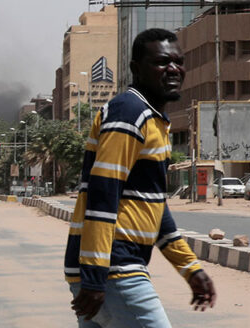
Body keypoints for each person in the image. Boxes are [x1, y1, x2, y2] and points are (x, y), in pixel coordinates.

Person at [65, 28, 216, 327]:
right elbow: (103, 194)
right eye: (162, 62)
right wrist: (96, 277)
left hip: (107, 269)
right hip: (114, 268)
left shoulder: (153, 120)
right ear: (136, 68)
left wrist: (190, 268)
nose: (173, 69)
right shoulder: (129, 112)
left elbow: (154, 207)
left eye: (178, 61)